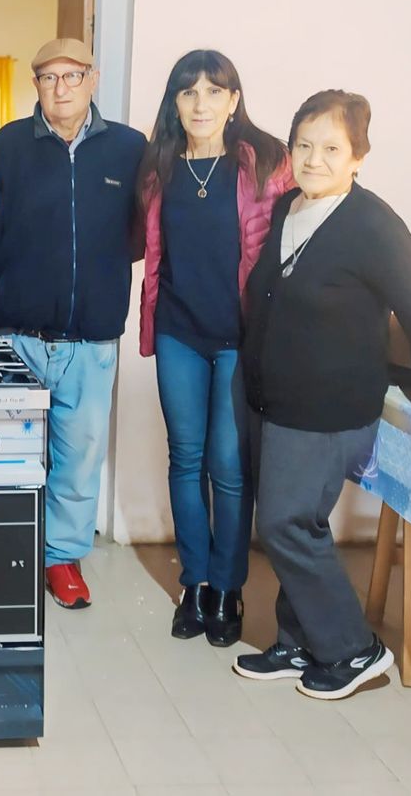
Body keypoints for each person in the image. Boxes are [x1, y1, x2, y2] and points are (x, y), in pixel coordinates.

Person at [234, 90, 411, 700]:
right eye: (303, 145)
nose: (313, 159)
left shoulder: (372, 223)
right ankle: (300, 642)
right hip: (277, 401)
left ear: (357, 158)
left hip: (327, 409)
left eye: (330, 148)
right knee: (299, 522)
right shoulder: (288, 211)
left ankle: (353, 649)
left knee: (286, 524)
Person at [0, 37, 147, 609]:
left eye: (72, 76)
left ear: (93, 79)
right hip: (15, 335)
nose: (60, 88)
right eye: (48, 78)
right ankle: (4, 553)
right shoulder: (8, 145)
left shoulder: (130, 149)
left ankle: (61, 558)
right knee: (5, 452)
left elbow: (140, 240)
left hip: (91, 338)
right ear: (35, 85)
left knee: (79, 454)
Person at [137, 50, 293, 647]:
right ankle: (195, 583)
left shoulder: (266, 164)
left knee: (228, 469)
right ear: (175, 103)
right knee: (185, 459)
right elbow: (151, 250)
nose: (200, 104)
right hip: (179, 331)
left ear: (233, 101)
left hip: (238, 337)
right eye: (187, 92)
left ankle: (229, 589)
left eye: (213, 91)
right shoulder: (161, 167)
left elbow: (292, 245)